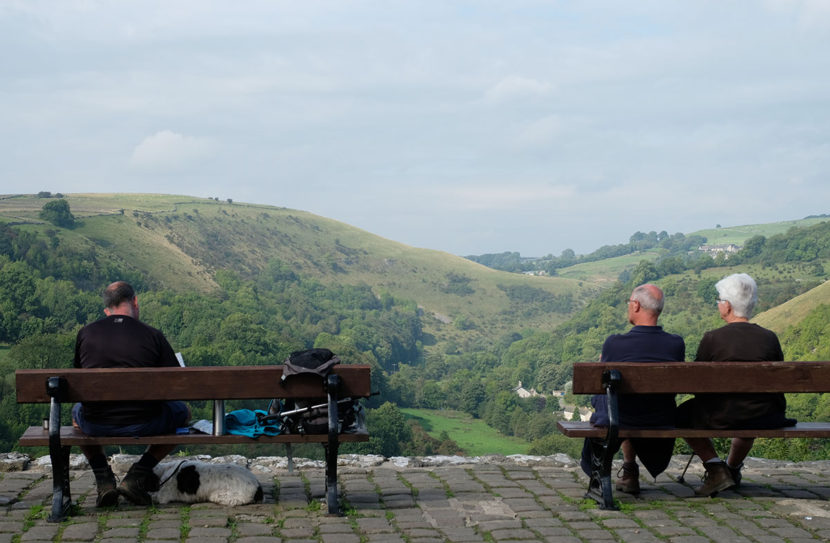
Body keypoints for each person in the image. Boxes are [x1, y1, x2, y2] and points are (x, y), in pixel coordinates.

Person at [73, 281, 190, 507]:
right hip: (146, 421)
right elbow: (178, 383)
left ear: (107, 309)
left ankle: (104, 478)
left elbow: (79, 380)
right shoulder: (152, 335)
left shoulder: (86, 334)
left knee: (76, 412)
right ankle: (138, 475)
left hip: (96, 422)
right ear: (134, 302)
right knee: (183, 412)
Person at [677, 273, 795, 497]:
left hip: (723, 415)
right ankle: (731, 469)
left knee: (682, 415)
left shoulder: (712, 338)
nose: (719, 305)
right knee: (750, 406)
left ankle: (715, 468)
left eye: (719, 301)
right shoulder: (769, 337)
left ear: (728, 306)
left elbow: (696, 383)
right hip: (765, 414)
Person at [581, 284, 685, 494]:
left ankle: (624, 472)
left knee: (617, 403)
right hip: (660, 418)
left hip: (621, 418)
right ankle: (629, 471)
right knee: (631, 402)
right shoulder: (676, 344)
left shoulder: (614, 344)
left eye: (629, 303)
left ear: (636, 305)